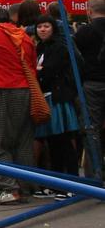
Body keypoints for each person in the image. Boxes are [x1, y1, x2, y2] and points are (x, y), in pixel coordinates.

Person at [0, 5, 37, 206]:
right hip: (25, 91)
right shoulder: (24, 36)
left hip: (1, 90)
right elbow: (31, 64)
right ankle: (24, 186)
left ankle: (9, 188)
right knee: (23, 142)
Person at [33, 17, 83, 180]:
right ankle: (57, 182)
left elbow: (48, 71)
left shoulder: (60, 47)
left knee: (64, 141)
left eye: (46, 26)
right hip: (46, 98)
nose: (42, 29)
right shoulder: (40, 47)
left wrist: (39, 70)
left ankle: (72, 180)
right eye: (39, 26)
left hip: (58, 99)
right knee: (52, 143)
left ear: (53, 28)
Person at [74, 0, 105, 177]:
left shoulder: (84, 32)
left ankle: (95, 174)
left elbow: (77, 57)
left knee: (92, 128)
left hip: (92, 84)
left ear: (89, 10)